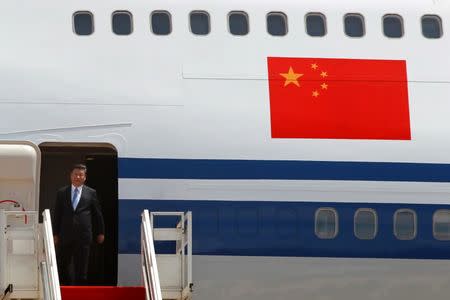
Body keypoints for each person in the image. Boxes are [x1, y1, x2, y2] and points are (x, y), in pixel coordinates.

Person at [52, 164, 105, 285]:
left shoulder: (91, 193)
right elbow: (57, 214)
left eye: (81, 174)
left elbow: (98, 214)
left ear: (85, 177)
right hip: (65, 235)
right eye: (75, 174)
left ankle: (79, 289)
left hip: (84, 235)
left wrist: (101, 232)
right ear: (71, 176)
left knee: (81, 266)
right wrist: (55, 233)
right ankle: (66, 286)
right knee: (62, 263)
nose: (78, 176)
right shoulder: (62, 192)